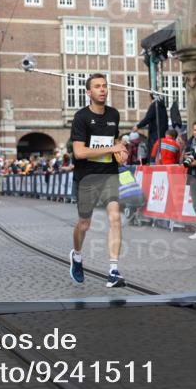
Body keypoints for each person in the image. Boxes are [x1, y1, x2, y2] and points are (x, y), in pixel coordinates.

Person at [69, 73, 129, 288]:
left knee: (115, 218)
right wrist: (112, 148)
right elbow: (79, 152)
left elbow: (115, 142)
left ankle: (113, 270)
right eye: (97, 86)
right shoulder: (81, 117)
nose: (102, 89)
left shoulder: (114, 114)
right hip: (86, 177)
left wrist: (120, 153)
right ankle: (76, 255)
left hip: (109, 174)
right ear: (89, 92)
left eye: (104, 86)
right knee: (84, 224)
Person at [135, 96, 169, 164]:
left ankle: (152, 166)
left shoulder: (154, 105)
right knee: (159, 153)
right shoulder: (163, 107)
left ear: (151, 98)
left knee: (152, 153)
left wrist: (138, 126)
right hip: (162, 135)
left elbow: (148, 118)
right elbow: (166, 121)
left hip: (154, 135)